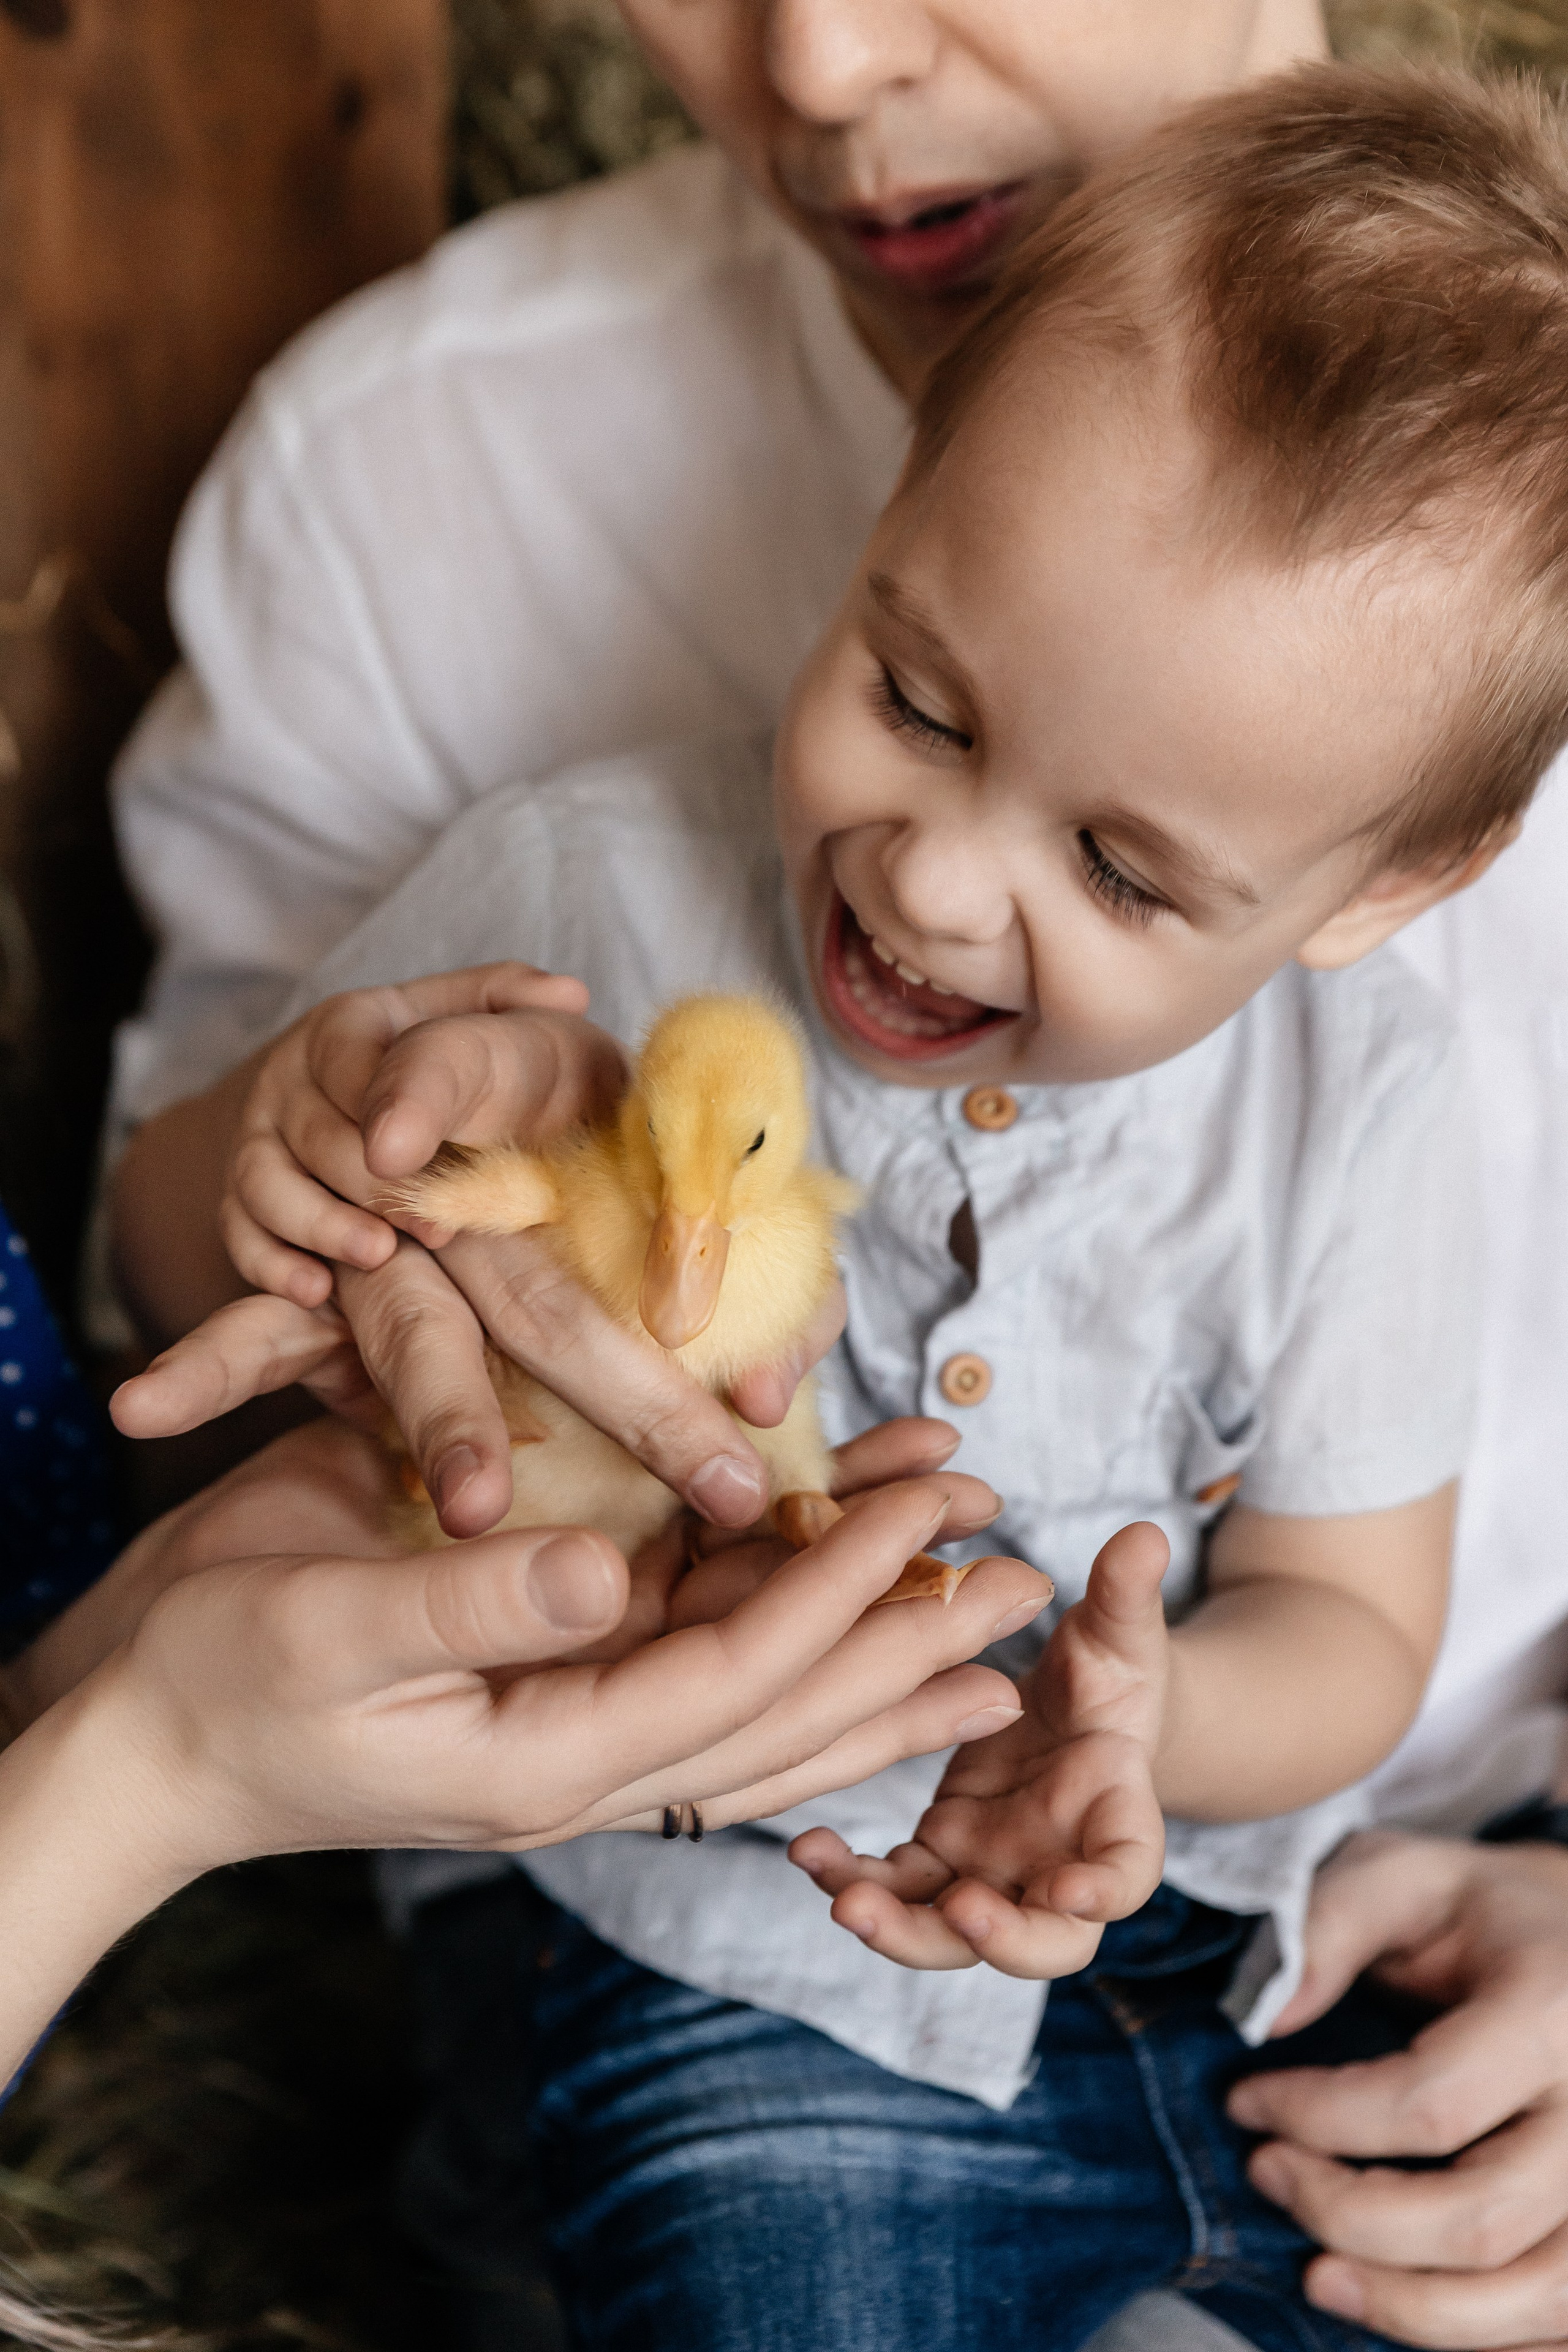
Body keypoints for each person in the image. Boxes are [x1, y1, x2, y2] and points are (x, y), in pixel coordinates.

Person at [102, 4, 1568, 2346]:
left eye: (1117, 864)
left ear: (1391, 885)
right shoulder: (571, 894)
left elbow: (1351, 1627)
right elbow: (188, 1269)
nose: (935, 880)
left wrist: (1129, 1726)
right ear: (893, 510)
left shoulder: (1363, 1105)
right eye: (916, 699)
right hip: (730, 1959)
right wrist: (304, 1151)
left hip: (1261, 1953)